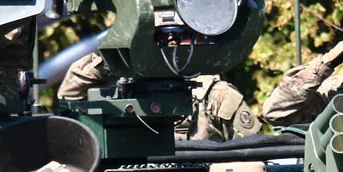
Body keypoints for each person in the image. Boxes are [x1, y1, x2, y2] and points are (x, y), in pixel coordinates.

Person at [56, 55, 261, 143]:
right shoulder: (124, 88)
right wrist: (113, 60)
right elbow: (69, 97)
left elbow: (250, 154)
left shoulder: (217, 95)